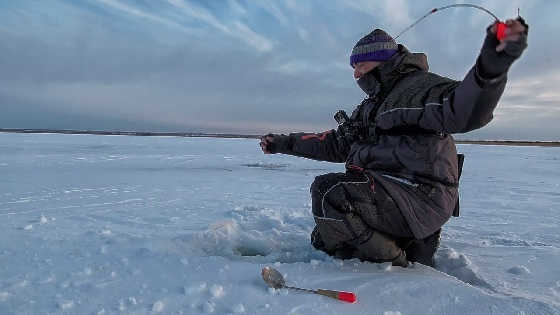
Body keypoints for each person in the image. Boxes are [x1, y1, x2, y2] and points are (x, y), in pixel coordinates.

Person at [260, 18, 528, 267]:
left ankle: (398, 264)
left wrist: (490, 68)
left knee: (329, 192)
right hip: (393, 195)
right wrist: (282, 143)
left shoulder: (418, 88)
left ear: (380, 61)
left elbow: (462, 108)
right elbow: (333, 144)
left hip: (419, 197)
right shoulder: (372, 105)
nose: (356, 74)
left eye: (360, 66)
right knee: (323, 237)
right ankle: (409, 245)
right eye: (353, 68)